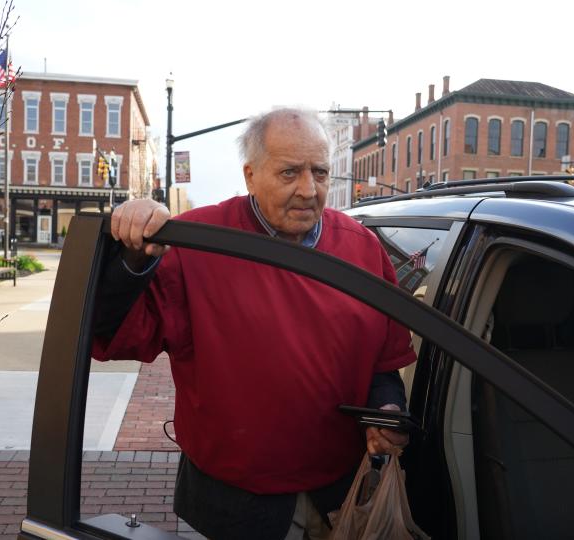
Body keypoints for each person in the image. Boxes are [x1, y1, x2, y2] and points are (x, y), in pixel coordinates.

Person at [91, 108, 417, 540]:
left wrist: (388, 410)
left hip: (338, 496)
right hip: (231, 504)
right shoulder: (196, 243)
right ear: (250, 175)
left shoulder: (362, 250)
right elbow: (115, 333)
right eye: (289, 173)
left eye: (320, 172)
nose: (308, 189)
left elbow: (383, 365)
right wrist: (131, 251)